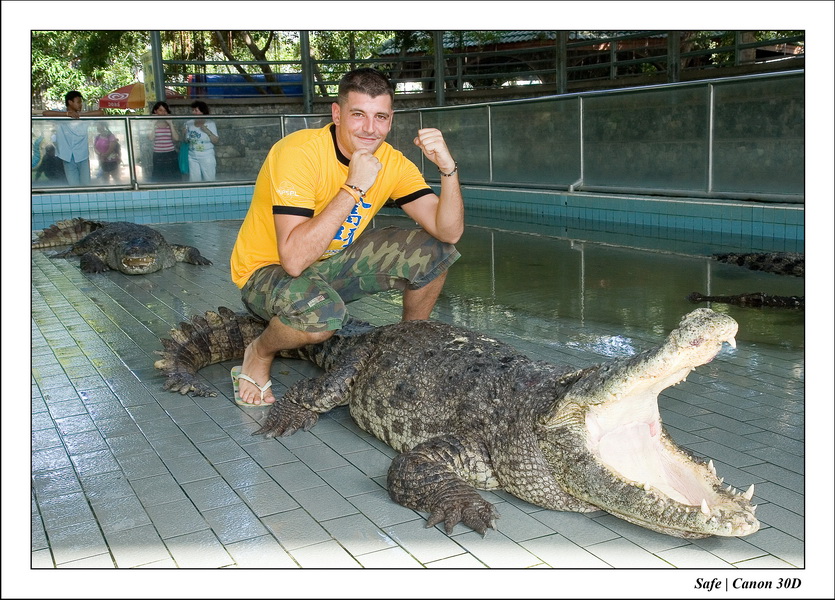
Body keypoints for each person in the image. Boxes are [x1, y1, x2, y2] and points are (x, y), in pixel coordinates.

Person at [229, 67, 463, 406]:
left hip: (327, 266)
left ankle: (408, 346)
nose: (370, 129)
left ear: (391, 119)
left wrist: (448, 167)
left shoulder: (392, 163)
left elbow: (449, 231)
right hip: (267, 271)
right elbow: (293, 260)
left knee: (435, 250)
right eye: (359, 115)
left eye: (380, 117)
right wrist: (353, 187)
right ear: (337, 114)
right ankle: (259, 352)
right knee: (322, 317)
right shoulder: (299, 153)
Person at [42, 91, 104, 185]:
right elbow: (45, 113)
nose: (81, 105)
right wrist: (67, 115)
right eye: (78, 102)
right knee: (73, 185)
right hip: (67, 156)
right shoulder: (60, 115)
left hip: (82, 155)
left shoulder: (84, 116)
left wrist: (80, 116)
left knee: (86, 184)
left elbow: (100, 112)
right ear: (70, 102)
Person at [184, 100, 219, 181]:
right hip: (192, 156)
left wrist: (207, 131)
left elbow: (216, 140)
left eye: (196, 110)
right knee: (194, 180)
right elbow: (186, 141)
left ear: (203, 112)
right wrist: (184, 134)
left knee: (209, 179)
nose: (193, 112)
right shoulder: (188, 123)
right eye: (193, 110)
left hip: (207, 156)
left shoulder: (210, 124)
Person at [148, 101, 181, 182]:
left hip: (170, 153)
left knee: (173, 178)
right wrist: (153, 124)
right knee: (159, 178)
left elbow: (176, 138)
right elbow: (150, 138)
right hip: (158, 154)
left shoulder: (171, 123)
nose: (163, 113)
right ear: (155, 111)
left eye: (165, 110)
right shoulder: (151, 124)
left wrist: (170, 124)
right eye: (160, 110)